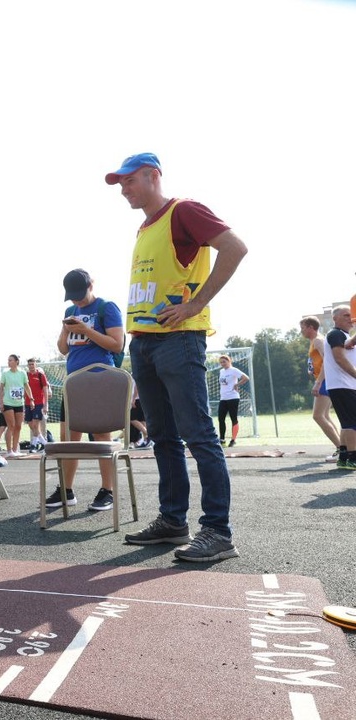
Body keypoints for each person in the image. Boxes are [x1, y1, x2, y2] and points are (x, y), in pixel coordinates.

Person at [107, 152, 247, 561]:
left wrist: (194, 304)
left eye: (129, 181)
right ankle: (173, 521)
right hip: (145, 343)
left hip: (179, 339)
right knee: (163, 437)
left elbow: (235, 248)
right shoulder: (144, 227)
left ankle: (218, 532)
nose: (124, 189)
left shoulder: (183, 210)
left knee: (199, 434)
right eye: (120, 184)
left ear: (154, 176)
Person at [45, 268, 125, 513]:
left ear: (92, 284)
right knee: (70, 440)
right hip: (73, 383)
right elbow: (63, 349)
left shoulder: (107, 308)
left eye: (80, 294)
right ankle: (66, 490)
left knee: (101, 437)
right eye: (72, 296)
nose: (77, 300)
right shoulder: (71, 311)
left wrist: (87, 331)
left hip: (100, 380)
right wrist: (66, 329)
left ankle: (107, 490)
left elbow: (117, 344)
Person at [299, 316, 342, 458]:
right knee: (325, 416)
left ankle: (342, 449)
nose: (301, 331)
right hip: (324, 379)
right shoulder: (314, 341)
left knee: (317, 416)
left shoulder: (318, 340)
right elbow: (318, 360)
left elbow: (328, 361)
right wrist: (312, 369)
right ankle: (342, 447)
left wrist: (318, 382)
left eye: (303, 328)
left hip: (325, 380)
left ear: (311, 327)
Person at [323, 306, 356, 470]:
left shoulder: (343, 336)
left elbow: (350, 344)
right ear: (334, 318)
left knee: (347, 422)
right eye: (346, 315)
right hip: (343, 384)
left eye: (352, 315)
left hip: (345, 385)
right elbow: (340, 359)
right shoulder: (335, 334)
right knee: (352, 423)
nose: (350, 318)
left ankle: (344, 457)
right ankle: (353, 458)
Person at [0, 355, 33, 457]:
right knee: (11, 425)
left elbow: (27, 387)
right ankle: (9, 451)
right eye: (8, 360)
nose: (8, 362)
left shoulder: (22, 373)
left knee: (18, 426)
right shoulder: (5, 374)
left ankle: (15, 449)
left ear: (16, 362)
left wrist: (31, 399)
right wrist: (1, 402)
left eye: (11, 360)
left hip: (19, 403)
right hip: (8, 403)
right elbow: (1, 389)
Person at [216, 354, 249, 447]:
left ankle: (233, 440)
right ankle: (222, 440)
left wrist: (237, 385)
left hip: (233, 397)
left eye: (224, 362)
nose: (222, 364)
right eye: (221, 362)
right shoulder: (221, 371)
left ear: (229, 361)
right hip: (223, 398)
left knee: (233, 418)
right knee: (221, 418)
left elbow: (246, 378)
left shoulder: (234, 370)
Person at [24, 358, 51, 452]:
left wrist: (45, 404)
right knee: (31, 425)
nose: (31, 366)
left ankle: (33, 445)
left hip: (39, 402)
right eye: (29, 364)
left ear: (36, 365)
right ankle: (45, 443)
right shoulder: (26, 375)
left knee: (36, 424)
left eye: (32, 364)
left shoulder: (40, 375)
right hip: (27, 403)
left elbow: (45, 389)